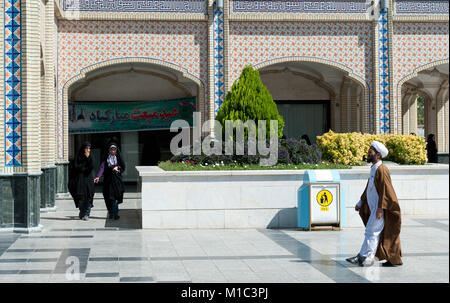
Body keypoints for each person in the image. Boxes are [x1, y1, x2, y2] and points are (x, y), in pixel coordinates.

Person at [346, 141, 403, 267]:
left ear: (378, 155)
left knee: (372, 231)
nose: (368, 153)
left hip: (379, 209)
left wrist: (380, 208)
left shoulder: (382, 169)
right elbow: (369, 187)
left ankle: (368, 257)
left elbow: (385, 190)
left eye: (370, 152)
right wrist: (361, 202)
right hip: (374, 208)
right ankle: (362, 256)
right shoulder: (374, 168)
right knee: (371, 231)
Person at [94, 143, 125, 220]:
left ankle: (115, 214)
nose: (113, 151)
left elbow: (123, 166)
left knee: (115, 197)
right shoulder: (106, 158)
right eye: (111, 149)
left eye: (114, 149)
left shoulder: (118, 157)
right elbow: (102, 168)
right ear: (109, 150)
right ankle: (111, 212)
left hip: (116, 181)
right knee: (108, 198)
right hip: (108, 181)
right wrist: (98, 176)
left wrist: (117, 167)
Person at [68, 142, 95, 221]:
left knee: (89, 197)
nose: (88, 150)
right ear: (83, 149)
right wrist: (83, 166)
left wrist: (88, 158)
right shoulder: (78, 156)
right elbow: (76, 167)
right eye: (86, 148)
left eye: (89, 148)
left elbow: (91, 166)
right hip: (79, 180)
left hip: (88, 180)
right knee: (80, 198)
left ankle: (86, 214)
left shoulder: (91, 156)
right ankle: (82, 212)